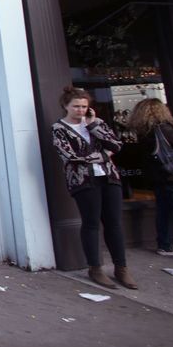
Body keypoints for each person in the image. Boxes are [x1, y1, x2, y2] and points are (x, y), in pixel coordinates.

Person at [51, 86, 137, 289]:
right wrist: (101, 155)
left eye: (83, 106)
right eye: (76, 106)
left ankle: (121, 268)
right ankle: (95, 267)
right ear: (66, 106)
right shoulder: (59, 128)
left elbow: (116, 145)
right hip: (83, 180)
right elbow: (68, 155)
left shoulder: (96, 123)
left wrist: (92, 125)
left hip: (109, 177)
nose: (80, 110)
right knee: (91, 223)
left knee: (114, 223)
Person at [127, 98, 173, 259]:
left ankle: (165, 244)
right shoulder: (165, 128)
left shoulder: (145, 131)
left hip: (159, 176)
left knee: (164, 211)